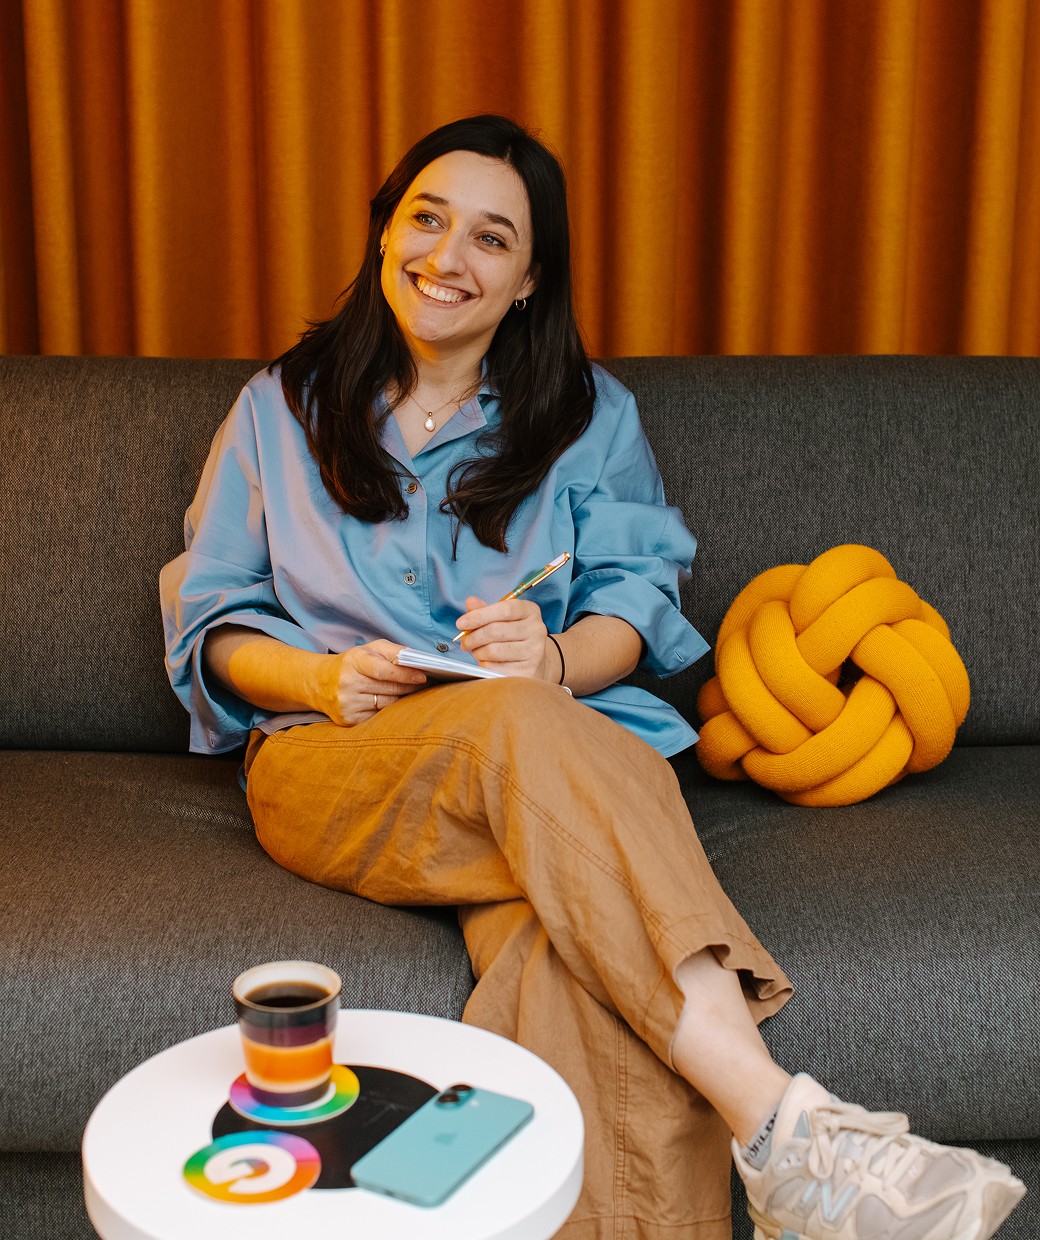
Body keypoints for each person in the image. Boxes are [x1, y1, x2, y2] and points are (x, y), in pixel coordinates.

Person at [160, 114, 1025, 1240]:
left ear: (525, 280)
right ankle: (778, 1123)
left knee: (570, 966)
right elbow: (213, 620)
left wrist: (556, 655)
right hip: (338, 759)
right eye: (425, 219)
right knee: (513, 728)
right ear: (384, 235)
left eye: (490, 238)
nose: (446, 257)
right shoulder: (281, 408)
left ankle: (778, 1164)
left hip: (551, 764)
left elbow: (633, 605)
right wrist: (321, 680)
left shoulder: (589, 417)